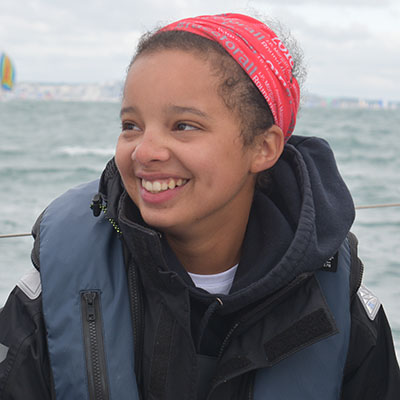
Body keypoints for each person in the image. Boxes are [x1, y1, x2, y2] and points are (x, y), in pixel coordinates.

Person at [0, 12, 399, 400]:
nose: (146, 150)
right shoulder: (57, 279)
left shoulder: (341, 302)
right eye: (131, 125)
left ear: (263, 148)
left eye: (184, 126)